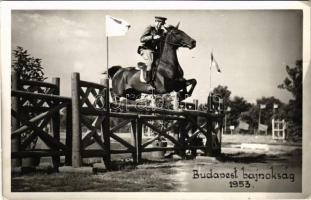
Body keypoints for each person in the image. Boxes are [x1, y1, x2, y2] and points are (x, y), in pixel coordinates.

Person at [137, 16, 167, 85]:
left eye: (162, 24)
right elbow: (142, 39)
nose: (160, 25)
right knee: (151, 62)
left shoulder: (161, 31)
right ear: (156, 22)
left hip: (154, 50)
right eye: (159, 23)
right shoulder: (150, 28)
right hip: (146, 49)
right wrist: (153, 37)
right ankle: (148, 82)